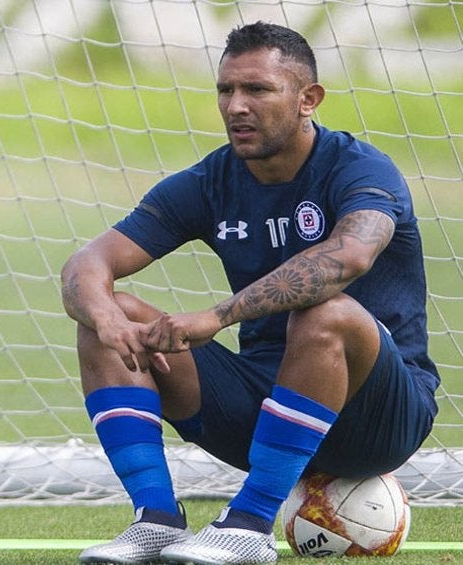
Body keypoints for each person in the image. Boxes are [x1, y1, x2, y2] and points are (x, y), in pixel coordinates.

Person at [61, 21, 440, 565]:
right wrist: (107, 319)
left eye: (257, 90)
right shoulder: (210, 180)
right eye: (225, 90)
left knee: (326, 311)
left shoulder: (359, 168)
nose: (236, 106)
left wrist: (218, 315)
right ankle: (156, 521)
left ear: (309, 99)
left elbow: (349, 257)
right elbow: (88, 263)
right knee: (110, 312)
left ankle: (250, 524)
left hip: (379, 415)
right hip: (265, 406)